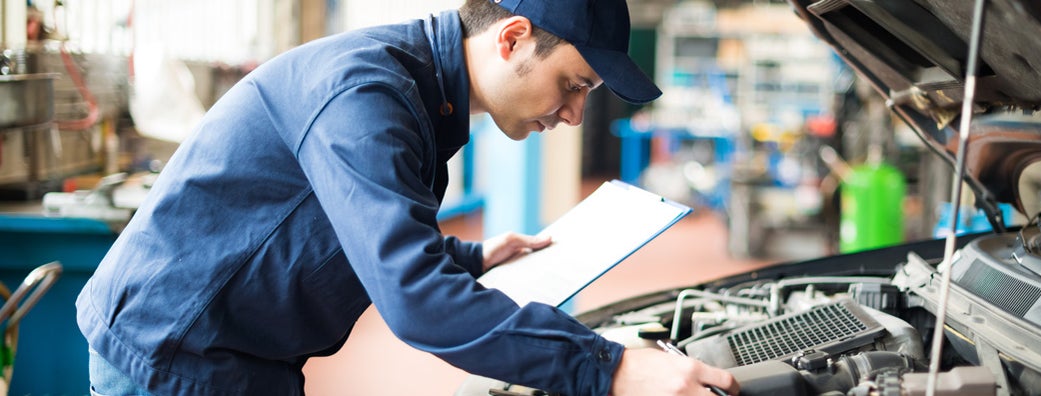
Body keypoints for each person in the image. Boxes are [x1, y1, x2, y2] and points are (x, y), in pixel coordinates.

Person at [75, 0, 740, 395]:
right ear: (510, 38)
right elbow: (414, 301)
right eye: (573, 84)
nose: (571, 115)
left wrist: (469, 256)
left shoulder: (424, 94)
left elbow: (342, 222)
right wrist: (613, 369)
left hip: (238, 349)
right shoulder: (366, 95)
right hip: (175, 354)